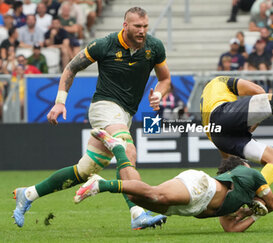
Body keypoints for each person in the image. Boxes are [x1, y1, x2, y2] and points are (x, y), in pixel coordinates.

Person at [12, 7, 171, 230]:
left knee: (85, 170)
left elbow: (165, 79)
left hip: (125, 114)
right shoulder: (104, 44)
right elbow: (71, 67)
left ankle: (28, 193)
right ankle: (137, 213)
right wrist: (60, 101)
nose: (142, 31)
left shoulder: (154, 47)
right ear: (125, 26)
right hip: (104, 106)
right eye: (137, 26)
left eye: (145, 26)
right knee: (127, 150)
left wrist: (159, 94)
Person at [75, 132, 273, 233]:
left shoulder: (237, 198)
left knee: (134, 196)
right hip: (200, 189)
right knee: (154, 194)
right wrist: (262, 205)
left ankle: (118, 150)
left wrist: (254, 215)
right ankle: (101, 185)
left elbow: (230, 228)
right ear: (240, 166)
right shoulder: (247, 173)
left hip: (190, 207)